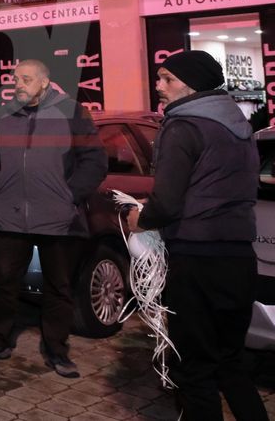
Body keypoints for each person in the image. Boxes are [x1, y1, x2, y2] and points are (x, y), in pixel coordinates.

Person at [126, 51, 267, 420]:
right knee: (230, 363)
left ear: (191, 85)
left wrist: (140, 218)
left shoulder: (183, 125)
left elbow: (167, 203)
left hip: (196, 260)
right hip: (239, 258)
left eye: (167, 79)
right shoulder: (237, 124)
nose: (159, 86)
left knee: (195, 370)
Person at [0, 59, 107, 377]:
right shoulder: (2, 115)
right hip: (10, 216)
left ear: (45, 82)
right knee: (3, 282)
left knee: (58, 286)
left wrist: (69, 196)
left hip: (57, 217)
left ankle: (56, 349)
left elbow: (95, 160)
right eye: (15, 78)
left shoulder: (72, 113)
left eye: (26, 79)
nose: (18, 84)